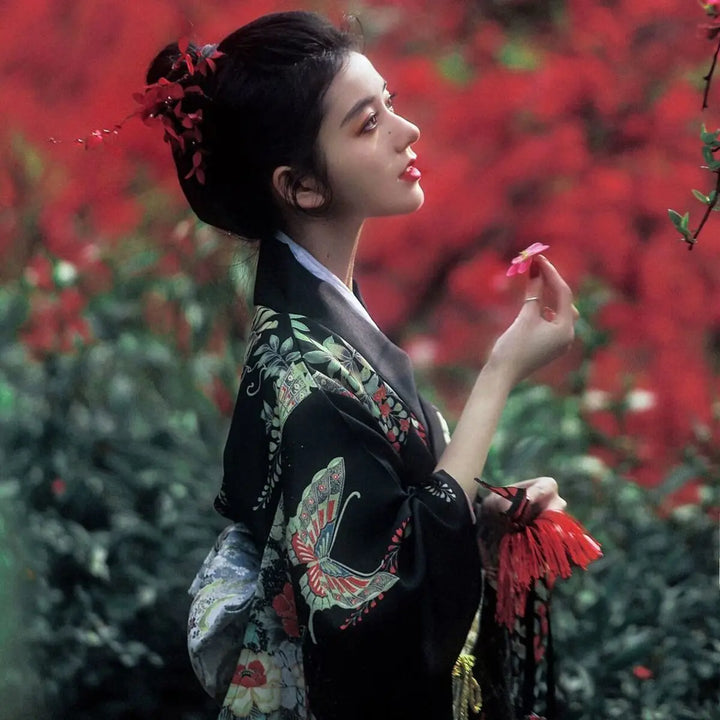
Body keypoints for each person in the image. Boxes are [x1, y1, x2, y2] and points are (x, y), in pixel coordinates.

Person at [144, 10, 576, 720]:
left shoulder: (324, 328)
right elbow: (379, 611)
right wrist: (500, 371)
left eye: (392, 106)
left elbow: (388, 513)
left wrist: (485, 512)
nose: (407, 134)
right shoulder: (302, 371)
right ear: (303, 187)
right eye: (366, 124)